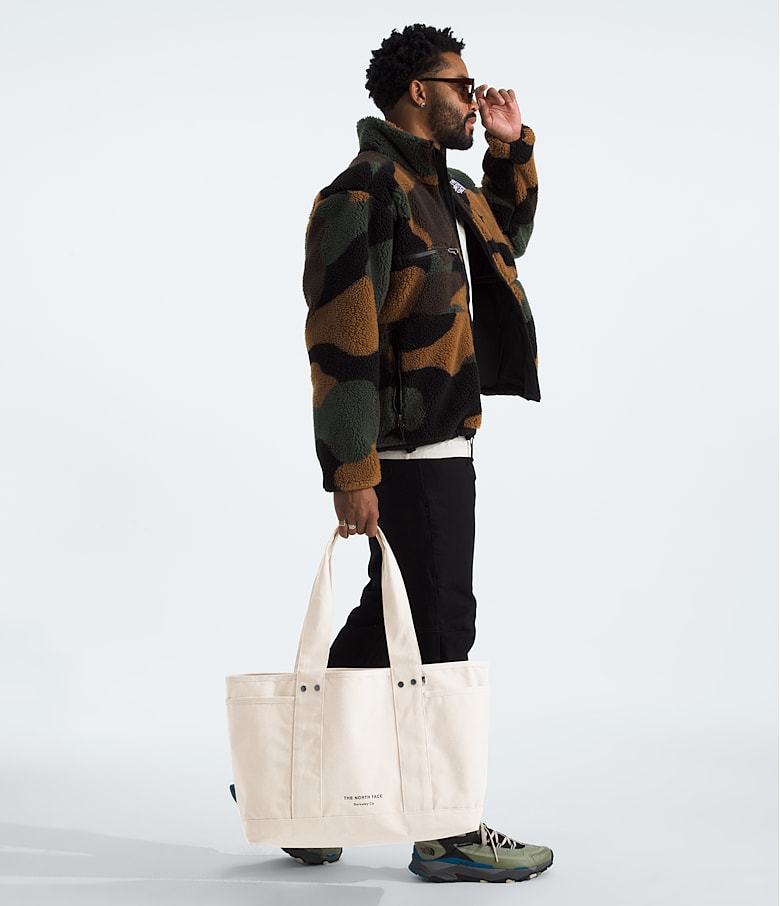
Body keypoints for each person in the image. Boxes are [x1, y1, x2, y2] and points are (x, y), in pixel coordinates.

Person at [299, 23, 553, 883]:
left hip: (444, 440)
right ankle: (445, 831)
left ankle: (307, 789)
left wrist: (511, 150)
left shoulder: (443, 185)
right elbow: (341, 336)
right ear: (419, 92)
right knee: (441, 626)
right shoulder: (365, 193)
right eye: (463, 86)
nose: (475, 99)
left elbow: (505, 242)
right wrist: (352, 470)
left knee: (389, 622)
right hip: (405, 453)